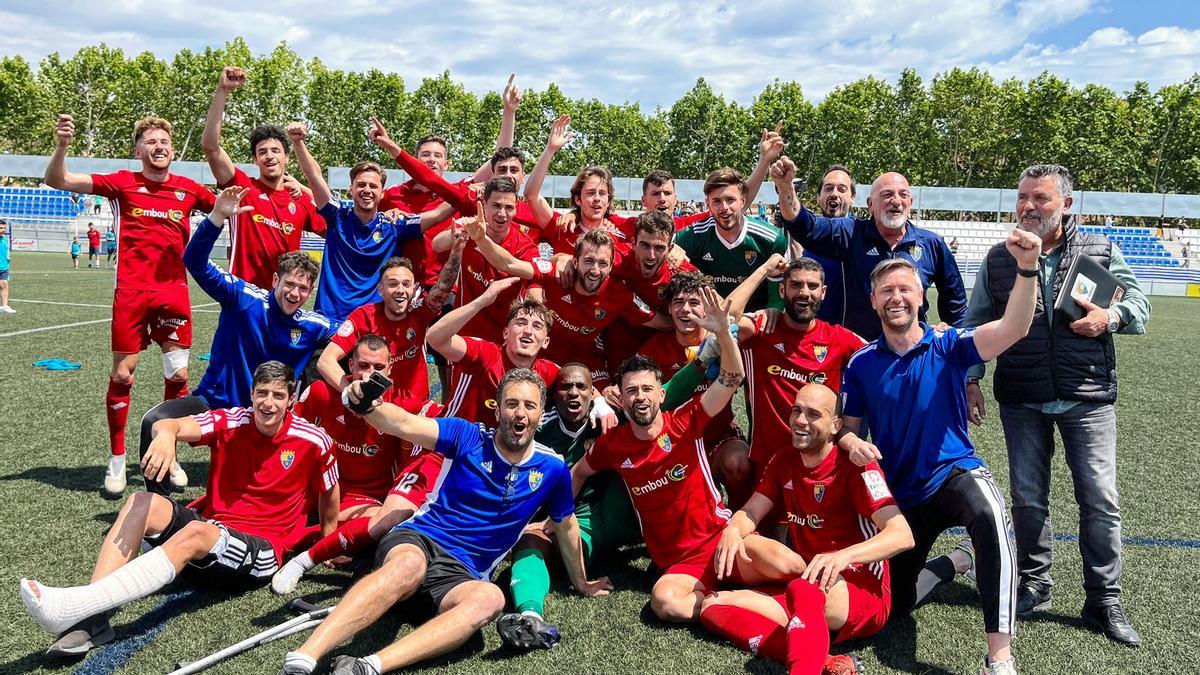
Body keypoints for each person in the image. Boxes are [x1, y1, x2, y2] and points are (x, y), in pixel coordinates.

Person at [279, 369, 612, 675]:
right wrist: (368, 407)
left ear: (540, 415)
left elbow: (565, 524)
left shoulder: (552, 469)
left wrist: (582, 583)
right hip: (421, 539)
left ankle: (369, 667)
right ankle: (304, 658)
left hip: (463, 574)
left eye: (529, 405)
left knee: (491, 598)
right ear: (497, 410)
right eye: (511, 404)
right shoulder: (468, 436)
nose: (519, 413)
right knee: (408, 567)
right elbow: (406, 424)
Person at [19, 361, 339, 657]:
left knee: (197, 531)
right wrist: (165, 435)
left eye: (278, 395)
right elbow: (171, 423)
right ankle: (93, 621)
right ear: (251, 394)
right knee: (142, 502)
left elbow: (330, 491)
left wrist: (330, 542)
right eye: (262, 393)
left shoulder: (313, 440)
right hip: (212, 539)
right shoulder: (231, 420)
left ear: (291, 399)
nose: (268, 403)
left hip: (263, 551)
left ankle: (77, 605)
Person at [964, 164, 1151, 648]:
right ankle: (1034, 583)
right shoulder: (998, 258)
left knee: (1100, 500)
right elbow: (978, 321)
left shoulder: (1102, 251)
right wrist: (971, 379)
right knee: (1028, 498)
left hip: (1086, 397)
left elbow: (1140, 308)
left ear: (1066, 205)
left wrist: (1109, 317)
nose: (1029, 206)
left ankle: (1104, 598)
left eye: (1041, 198)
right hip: (1023, 395)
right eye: (1023, 197)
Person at [837, 238, 1043, 675]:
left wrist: (1027, 268)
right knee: (897, 606)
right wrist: (851, 443)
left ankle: (1000, 659)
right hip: (900, 495)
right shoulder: (860, 364)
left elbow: (1014, 328)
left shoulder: (950, 345)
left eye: (904, 289)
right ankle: (958, 560)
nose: (896, 297)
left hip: (953, 475)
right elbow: (847, 431)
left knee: (989, 514)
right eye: (886, 291)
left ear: (921, 295)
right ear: (873, 301)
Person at [571, 288, 802, 623]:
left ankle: (729, 600)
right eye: (632, 391)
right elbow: (578, 472)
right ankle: (733, 602)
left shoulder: (687, 420)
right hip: (678, 564)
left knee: (789, 565)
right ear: (620, 398)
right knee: (665, 603)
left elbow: (731, 377)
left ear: (662, 394)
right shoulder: (613, 445)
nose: (640, 398)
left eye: (647, 390)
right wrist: (558, 515)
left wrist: (722, 333)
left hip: (720, 539)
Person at [44, 113, 216, 495]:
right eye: (151, 142)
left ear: (173, 150)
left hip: (174, 293)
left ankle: (167, 453)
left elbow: (230, 205)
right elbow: (57, 180)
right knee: (123, 377)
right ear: (138, 151)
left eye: (164, 142)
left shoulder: (189, 189)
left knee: (178, 378)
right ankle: (117, 460)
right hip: (132, 294)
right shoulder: (122, 183)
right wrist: (62, 146)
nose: (160, 147)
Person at [132, 187, 336, 495]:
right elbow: (195, 261)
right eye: (290, 284)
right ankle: (158, 507)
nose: (295, 294)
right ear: (275, 281)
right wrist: (215, 218)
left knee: (244, 492)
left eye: (303, 289)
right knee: (154, 421)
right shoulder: (243, 298)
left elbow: (355, 331)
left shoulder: (311, 324)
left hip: (266, 413)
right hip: (215, 404)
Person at [701, 384, 914, 675]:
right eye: (797, 410)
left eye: (814, 414)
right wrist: (732, 529)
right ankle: (826, 663)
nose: (801, 420)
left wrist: (842, 557)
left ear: (835, 426)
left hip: (861, 590)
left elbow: (902, 534)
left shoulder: (858, 466)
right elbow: (751, 512)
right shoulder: (784, 460)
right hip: (809, 582)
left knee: (803, 588)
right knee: (713, 607)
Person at [271, 335, 446, 594]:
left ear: (390, 370)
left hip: (363, 501)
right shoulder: (322, 392)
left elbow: (439, 421)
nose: (368, 375)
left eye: (378, 368)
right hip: (318, 490)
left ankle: (312, 538)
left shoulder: (403, 404)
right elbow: (290, 433)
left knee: (389, 520)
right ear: (350, 365)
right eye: (363, 366)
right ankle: (323, 533)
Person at [499, 364, 640, 650]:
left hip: (617, 511)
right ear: (553, 396)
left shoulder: (612, 418)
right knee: (530, 542)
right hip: (571, 520)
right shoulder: (538, 428)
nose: (574, 393)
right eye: (565, 387)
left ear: (592, 393)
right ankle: (530, 615)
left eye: (582, 387)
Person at [719, 254, 866, 505]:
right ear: (782, 289)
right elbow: (725, 319)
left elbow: (880, 356)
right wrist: (765, 269)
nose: (804, 293)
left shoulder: (839, 339)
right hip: (765, 464)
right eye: (796, 285)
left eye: (812, 286)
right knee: (759, 537)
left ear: (824, 292)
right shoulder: (762, 331)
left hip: (816, 467)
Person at [773, 156, 967, 340]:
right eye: (887, 194)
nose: (896, 200)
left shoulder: (931, 244)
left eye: (903, 195)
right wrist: (785, 187)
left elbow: (956, 302)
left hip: (912, 354)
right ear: (870, 204)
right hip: (860, 352)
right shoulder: (851, 233)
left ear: (910, 202)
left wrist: (954, 338)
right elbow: (805, 226)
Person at [463, 223, 669, 389]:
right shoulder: (557, 274)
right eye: (589, 261)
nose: (595, 270)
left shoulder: (620, 295)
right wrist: (481, 239)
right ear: (575, 261)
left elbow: (660, 322)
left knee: (605, 405)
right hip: (539, 358)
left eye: (603, 264)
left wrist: (695, 329)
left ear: (611, 265)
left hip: (582, 361)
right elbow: (509, 264)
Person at [288, 123, 430, 324]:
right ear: (350, 190)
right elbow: (314, 176)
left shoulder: (394, 225)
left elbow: (438, 214)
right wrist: (298, 142)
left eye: (373, 186)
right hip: (329, 321)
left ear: (382, 193)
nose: (367, 190)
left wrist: (467, 194)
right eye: (361, 185)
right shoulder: (337, 215)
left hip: (373, 324)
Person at [201, 66, 326, 290]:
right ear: (255, 159)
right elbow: (211, 148)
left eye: (275, 151)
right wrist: (223, 91)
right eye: (262, 152)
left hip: (284, 301)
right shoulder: (242, 187)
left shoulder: (299, 200)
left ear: (287, 158)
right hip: (242, 298)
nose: (269, 156)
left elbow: (336, 226)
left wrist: (305, 189)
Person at [316, 252, 459, 411]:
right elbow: (325, 361)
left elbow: (444, 287)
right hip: (374, 408)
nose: (400, 290)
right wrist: (351, 393)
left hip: (414, 410)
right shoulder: (364, 317)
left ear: (413, 289)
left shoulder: (420, 313)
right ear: (380, 290)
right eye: (392, 284)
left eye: (406, 284)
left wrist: (457, 251)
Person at [426, 280, 561, 423]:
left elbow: (584, 387)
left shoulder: (549, 373)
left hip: (503, 444)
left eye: (537, 326)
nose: (528, 331)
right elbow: (434, 337)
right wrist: (482, 301)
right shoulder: (484, 353)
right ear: (506, 333)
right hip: (454, 441)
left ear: (545, 342)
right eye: (520, 323)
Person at [429, 176, 543, 340]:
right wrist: (456, 235)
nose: (502, 214)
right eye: (496, 205)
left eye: (509, 207)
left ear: (516, 209)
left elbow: (536, 290)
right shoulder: (471, 228)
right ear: (483, 204)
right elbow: (437, 244)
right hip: (464, 335)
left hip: (503, 339)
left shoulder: (526, 247)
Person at [674, 167, 790, 311]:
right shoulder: (691, 237)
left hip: (754, 320)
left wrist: (773, 311)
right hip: (708, 321)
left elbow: (777, 292)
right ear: (707, 203)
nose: (724, 207)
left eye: (730, 200)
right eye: (716, 201)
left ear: (742, 200)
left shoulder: (771, 239)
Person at [0, 219, 12, 313]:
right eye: (1, 228)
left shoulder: (4, 238)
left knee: (5, 285)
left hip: (4, 266)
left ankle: (5, 306)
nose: (3, 230)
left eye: (4, 228)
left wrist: (8, 256)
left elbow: (7, 249)